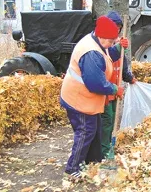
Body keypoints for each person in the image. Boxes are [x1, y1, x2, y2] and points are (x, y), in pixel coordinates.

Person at [60, 16, 128, 179]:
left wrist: (118, 47)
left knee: (93, 129)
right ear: (103, 37)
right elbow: (95, 83)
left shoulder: (97, 40)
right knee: (85, 131)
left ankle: (90, 161)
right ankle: (72, 169)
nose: (112, 44)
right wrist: (114, 89)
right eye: (112, 41)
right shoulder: (91, 53)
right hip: (78, 99)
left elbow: (107, 53)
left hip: (85, 99)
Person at [101, 11, 136, 158]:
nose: (116, 31)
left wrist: (131, 79)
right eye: (114, 27)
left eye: (118, 28)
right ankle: (103, 152)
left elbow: (123, 67)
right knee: (107, 122)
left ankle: (110, 145)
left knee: (113, 119)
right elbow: (106, 54)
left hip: (115, 93)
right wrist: (117, 48)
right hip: (103, 93)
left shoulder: (119, 47)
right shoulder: (103, 46)